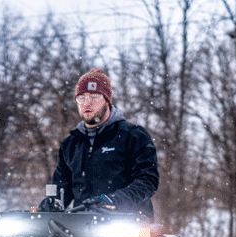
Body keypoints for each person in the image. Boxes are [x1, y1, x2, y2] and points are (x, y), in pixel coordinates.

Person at [40, 68, 159, 221]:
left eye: (94, 97)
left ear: (107, 101)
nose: (86, 103)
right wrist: (52, 204)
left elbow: (148, 180)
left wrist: (115, 200)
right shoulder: (70, 143)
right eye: (81, 98)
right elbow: (63, 188)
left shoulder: (133, 135)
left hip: (128, 225)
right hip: (81, 226)